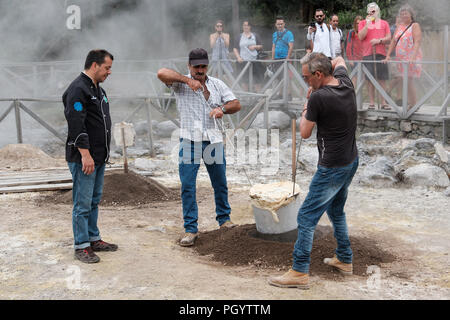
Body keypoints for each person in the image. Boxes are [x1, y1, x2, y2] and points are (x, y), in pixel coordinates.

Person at [268, 53, 359, 289]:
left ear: (319, 74)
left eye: (307, 77)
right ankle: (345, 258)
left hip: (331, 167)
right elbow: (339, 59)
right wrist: (323, 58)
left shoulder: (319, 97)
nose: (305, 81)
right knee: (336, 210)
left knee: (306, 217)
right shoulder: (344, 81)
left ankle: (299, 271)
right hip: (351, 160)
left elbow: (305, 132)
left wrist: (307, 105)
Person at [157, 48, 241, 247]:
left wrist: (222, 109)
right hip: (189, 140)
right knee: (187, 185)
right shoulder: (180, 84)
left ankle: (224, 220)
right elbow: (161, 73)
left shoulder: (217, 84)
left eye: (203, 66)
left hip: (213, 139)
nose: (200, 70)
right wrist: (188, 81)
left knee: (220, 182)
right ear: (189, 66)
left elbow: (236, 104)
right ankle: (191, 229)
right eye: (196, 67)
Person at [63, 49, 118, 264]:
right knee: (82, 203)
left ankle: (93, 238)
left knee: (94, 200)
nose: (109, 72)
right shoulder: (78, 89)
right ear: (94, 65)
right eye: (107, 67)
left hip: (98, 156)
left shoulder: (98, 89)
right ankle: (81, 245)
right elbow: (76, 124)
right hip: (84, 158)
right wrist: (85, 155)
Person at [384, 5, 422, 109]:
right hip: (401, 59)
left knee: (409, 79)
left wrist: (413, 57)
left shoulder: (415, 25)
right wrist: (387, 56)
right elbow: (393, 41)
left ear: (411, 14)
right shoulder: (399, 26)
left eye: (406, 13)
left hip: (411, 57)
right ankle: (412, 103)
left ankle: (413, 104)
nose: (404, 15)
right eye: (402, 13)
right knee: (405, 80)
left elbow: (417, 42)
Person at [358, 2, 391, 110]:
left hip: (381, 53)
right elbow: (360, 37)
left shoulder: (384, 23)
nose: (372, 12)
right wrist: (367, 24)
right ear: (367, 12)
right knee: (369, 79)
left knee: (382, 79)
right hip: (367, 54)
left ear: (378, 11)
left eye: (374, 11)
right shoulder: (363, 23)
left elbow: (389, 38)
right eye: (370, 11)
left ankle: (383, 102)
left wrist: (379, 40)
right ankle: (372, 103)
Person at [233, 20, 265, 92]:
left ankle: (258, 97)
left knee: (257, 81)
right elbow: (235, 48)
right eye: (244, 25)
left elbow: (261, 46)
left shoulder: (255, 35)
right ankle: (246, 98)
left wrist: (255, 47)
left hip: (255, 60)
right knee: (244, 81)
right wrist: (238, 57)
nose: (245, 27)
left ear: (250, 27)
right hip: (243, 61)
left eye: (247, 25)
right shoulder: (239, 36)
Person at [345, 16, 364, 85]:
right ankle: (352, 94)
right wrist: (350, 59)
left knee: (363, 79)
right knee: (354, 78)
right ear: (355, 24)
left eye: (360, 23)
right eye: (357, 23)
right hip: (354, 60)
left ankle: (359, 95)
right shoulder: (351, 33)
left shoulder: (364, 33)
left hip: (363, 59)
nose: (358, 25)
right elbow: (348, 47)